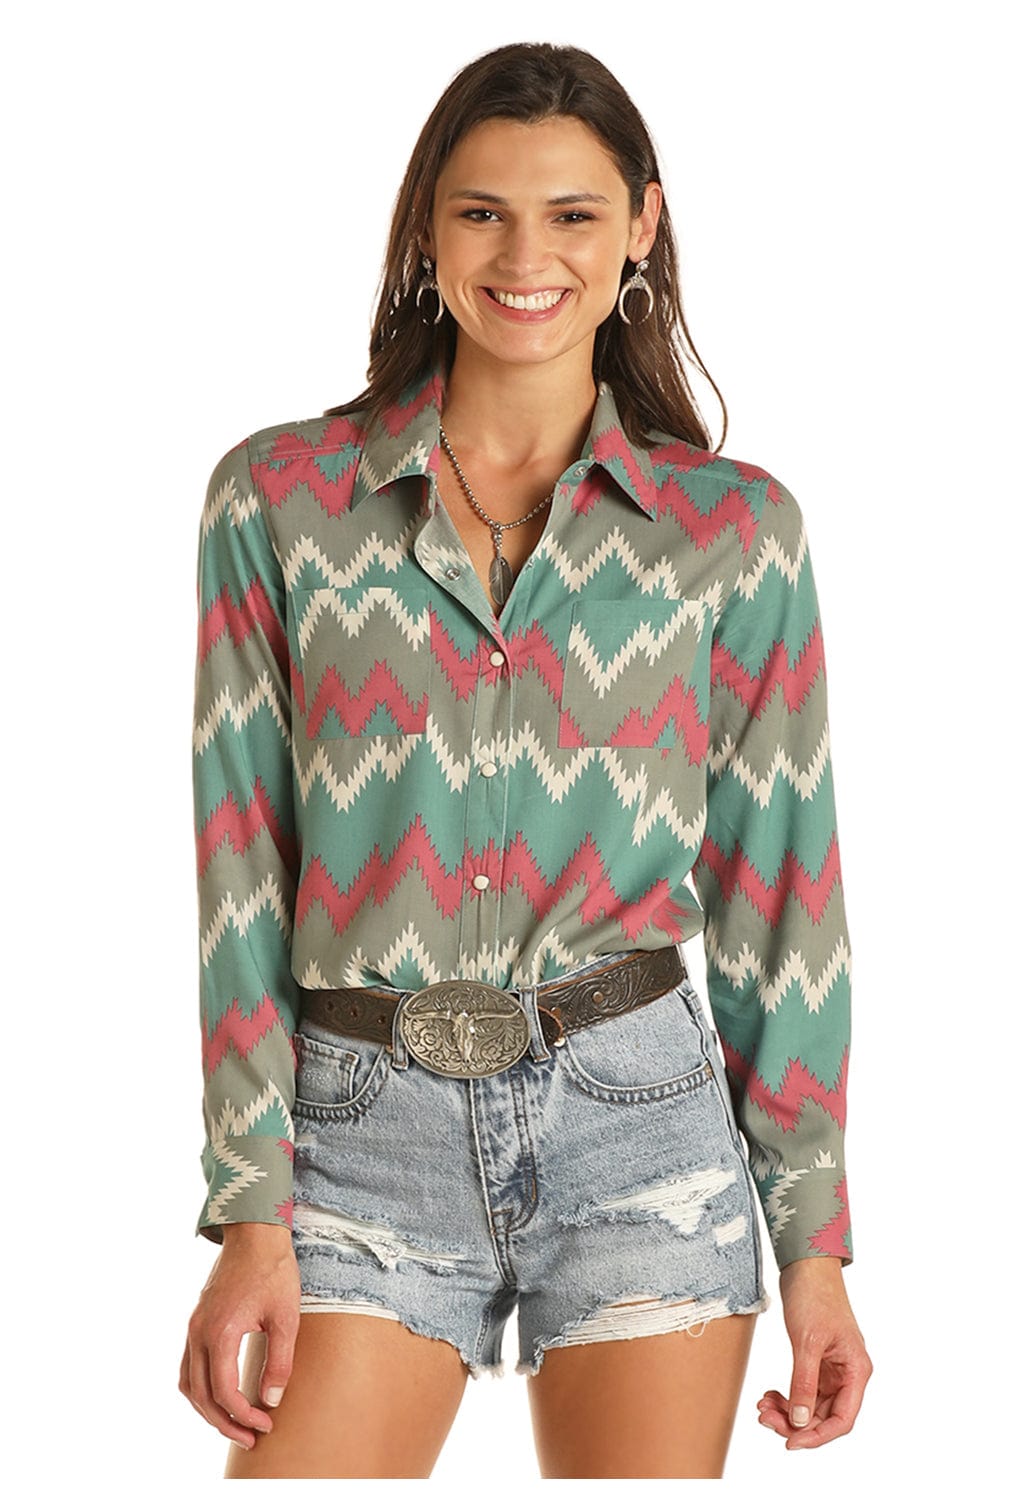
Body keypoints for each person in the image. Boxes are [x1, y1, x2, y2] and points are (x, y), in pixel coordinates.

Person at [179, 40, 872, 1478]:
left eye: (572, 213)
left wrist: (814, 1246)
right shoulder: (282, 502)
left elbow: (782, 900)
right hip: (357, 1133)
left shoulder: (733, 534)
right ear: (427, 230)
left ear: (641, 229)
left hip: (642, 1125)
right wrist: (250, 1205)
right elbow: (242, 872)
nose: (525, 257)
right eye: (483, 211)